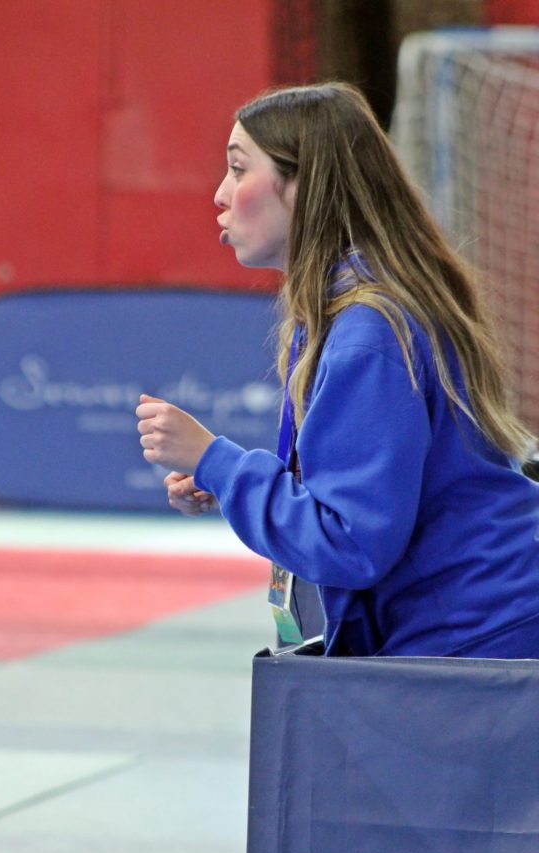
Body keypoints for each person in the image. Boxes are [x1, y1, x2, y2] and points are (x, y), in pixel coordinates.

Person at [135, 82, 539, 658]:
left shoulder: (368, 331)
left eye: (238, 169)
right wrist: (227, 483)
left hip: (473, 637)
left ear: (306, 186)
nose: (220, 194)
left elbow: (350, 543)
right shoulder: (357, 306)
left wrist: (216, 460)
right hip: (474, 621)